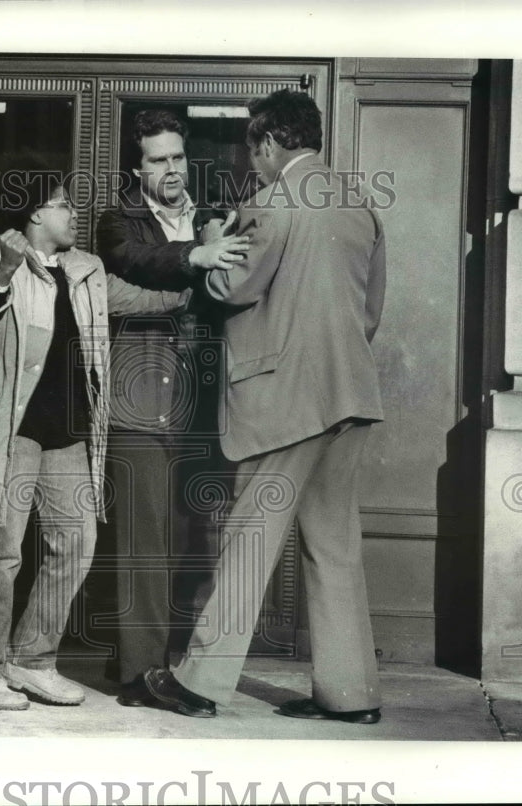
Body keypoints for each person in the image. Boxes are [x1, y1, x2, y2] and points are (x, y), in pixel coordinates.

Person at [143, 90, 388, 723]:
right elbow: (370, 311)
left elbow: (228, 283)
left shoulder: (271, 204)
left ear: (271, 144)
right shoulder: (359, 205)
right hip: (352, 395)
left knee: (250, 539)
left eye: (254, 151)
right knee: (334, 546)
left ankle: (198, 684)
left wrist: (211, 234)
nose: (253, 164)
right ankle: (351, 695)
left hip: (285, 400)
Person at [0, 167, 191, 711]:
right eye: (64, 204)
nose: (74, 215)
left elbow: (142, 300)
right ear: (35, 213)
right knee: (1, 555)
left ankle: (31, 660)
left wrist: (200, 279)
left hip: (68, 434)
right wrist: (5, 270)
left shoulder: (85, 269)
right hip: (11, 431)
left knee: (76, 544)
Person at [96, 109, 250, 706]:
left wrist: (206, 252)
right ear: (137, 167)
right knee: (141, 541)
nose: (171, 170)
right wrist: (196, 261)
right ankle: (140, 675)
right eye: (158, 160)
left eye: (178, 158)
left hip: (202, 400)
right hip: (138, 402)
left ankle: (171, 663)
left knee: (192, 537)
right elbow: (135, 263)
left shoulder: (213, 218)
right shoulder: (118, 221)